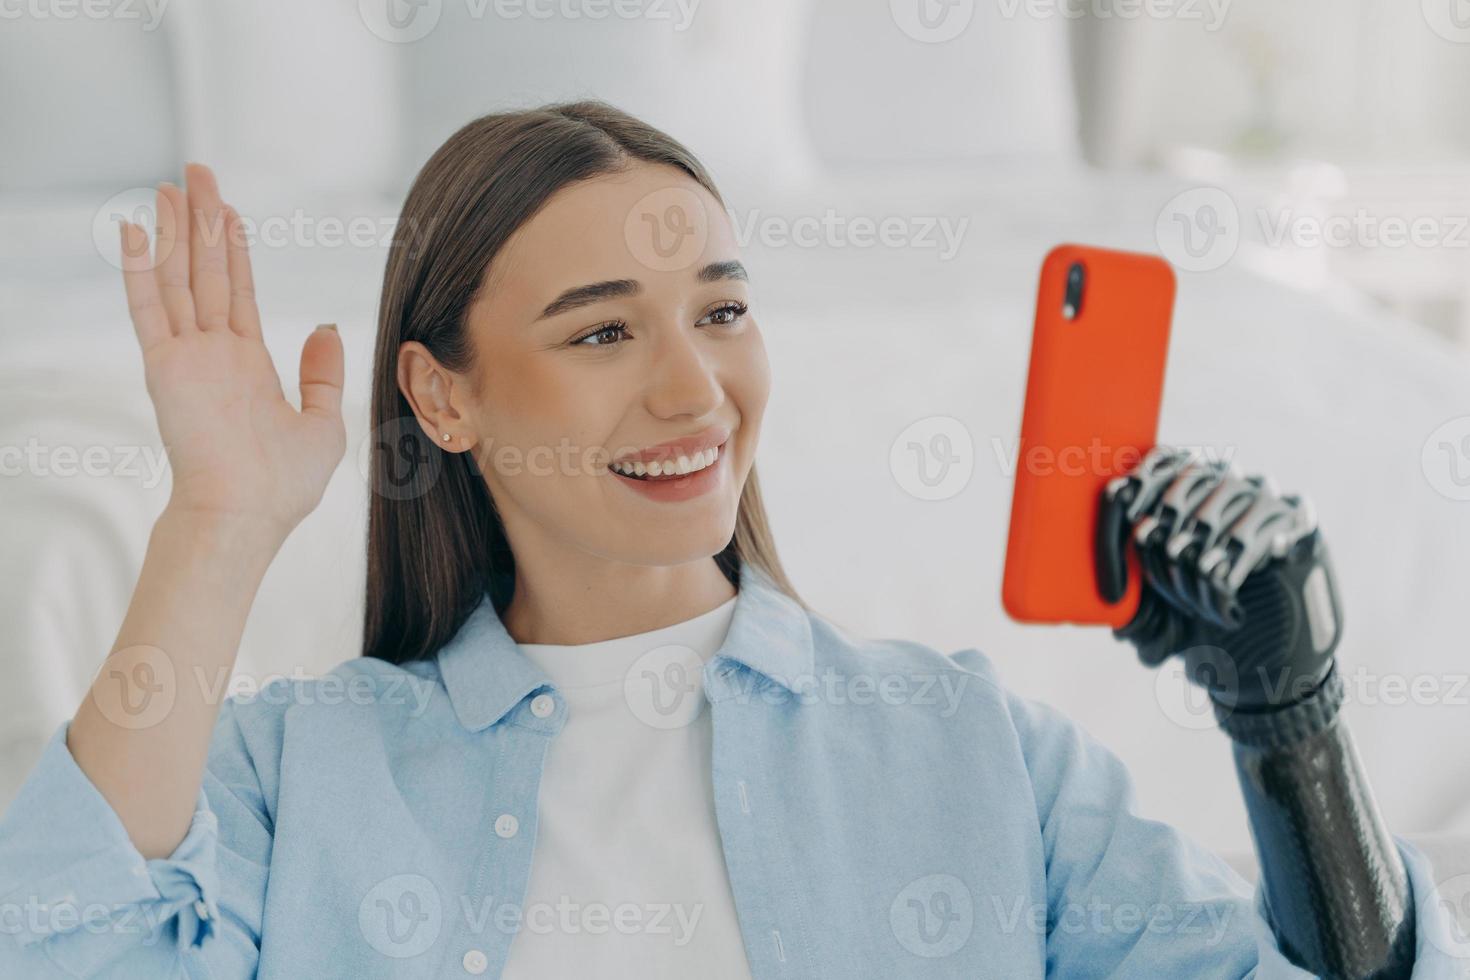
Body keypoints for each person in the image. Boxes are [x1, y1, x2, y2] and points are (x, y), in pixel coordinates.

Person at [0, 102, 1461, 978]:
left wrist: (1292, 735)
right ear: (441, 395)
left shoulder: (965, 750)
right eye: (601, 330)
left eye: (720, 310)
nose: (693, 387)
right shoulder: (310, 770)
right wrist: (218, 523)